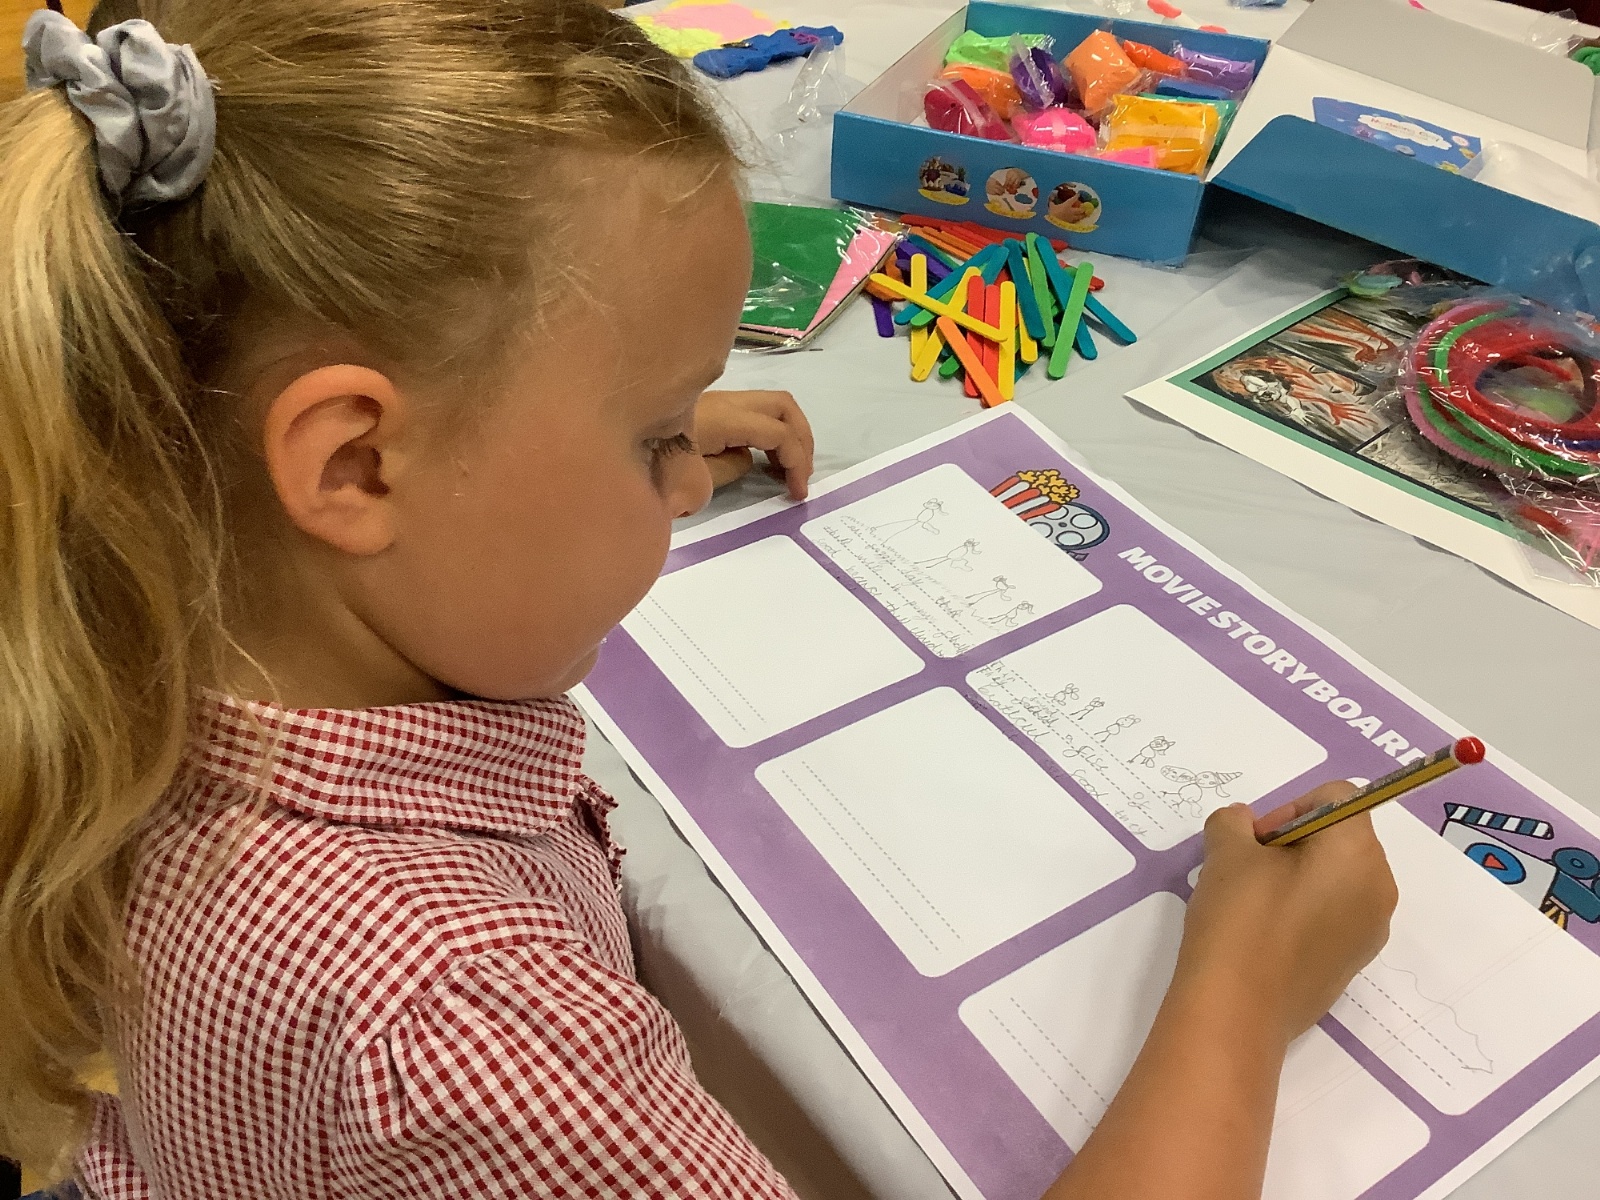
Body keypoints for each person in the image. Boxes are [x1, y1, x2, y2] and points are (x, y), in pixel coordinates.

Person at [0, 2, 1396, 1198]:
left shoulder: (105, 586)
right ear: (356, 463)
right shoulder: (469, 1031)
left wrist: (576, 443)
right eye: (654, 436)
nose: (681, 481)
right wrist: (1243, 992)